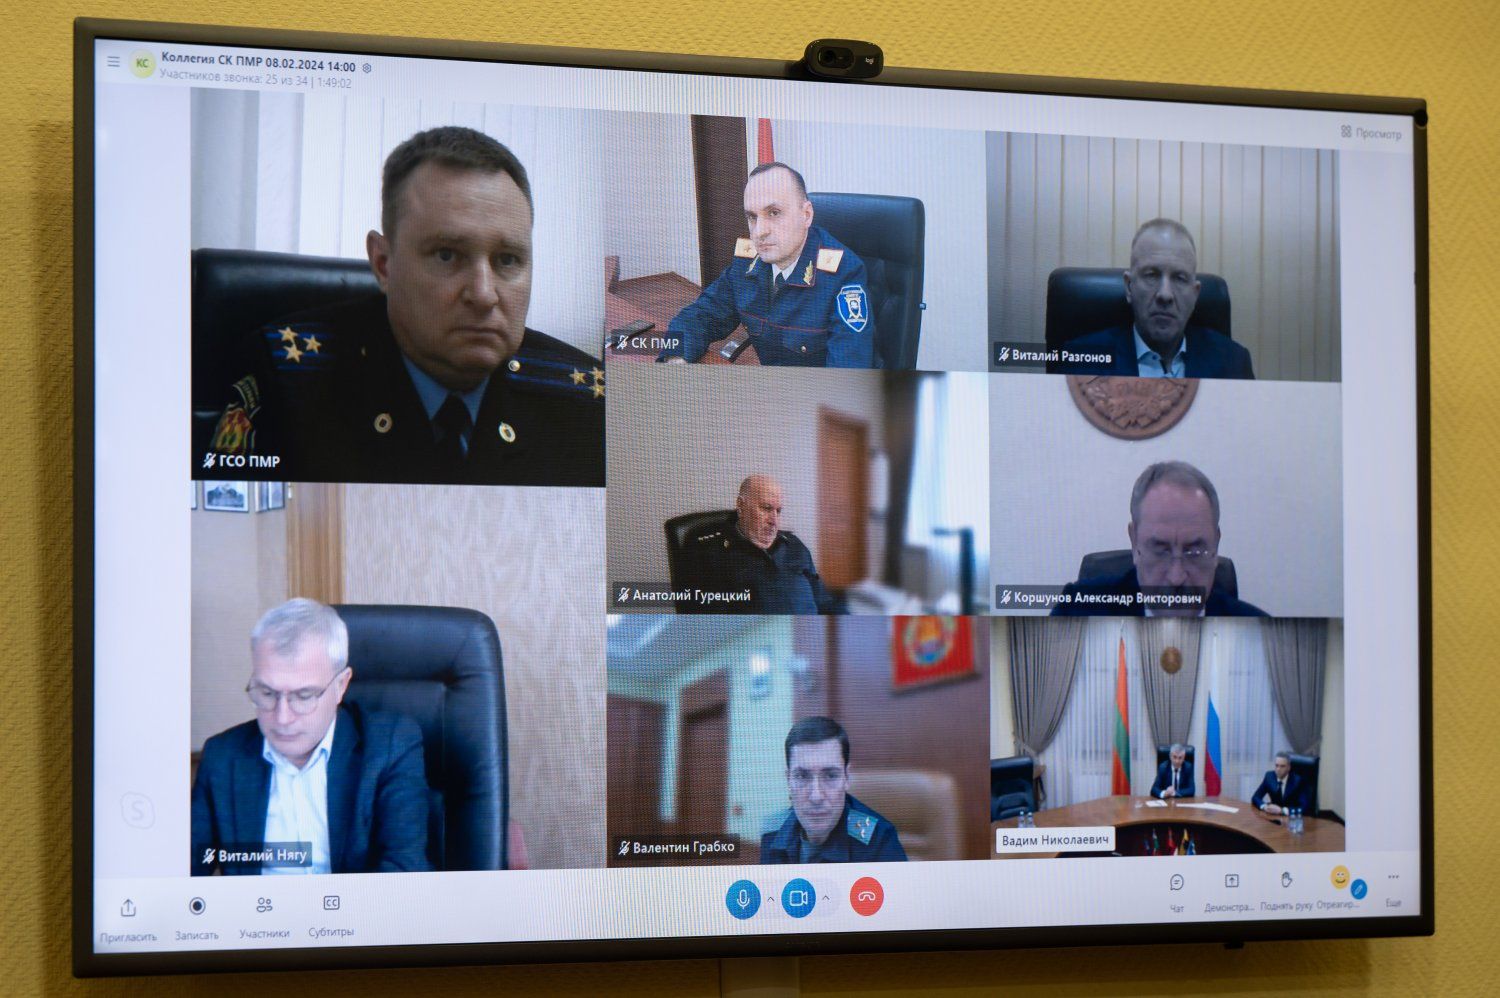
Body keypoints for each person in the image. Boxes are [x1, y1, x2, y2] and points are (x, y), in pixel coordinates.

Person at [201, 126, 604, 486]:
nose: (484, 294)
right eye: (447, 255)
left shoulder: (587, 402)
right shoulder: (286, 383)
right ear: (383, 263)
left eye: (508, 260)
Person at [192, 599, 430, 875]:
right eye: (267, 693)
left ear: (341, 685)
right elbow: (188, 871)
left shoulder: (389, 746)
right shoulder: (223, 757)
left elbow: (404, 871)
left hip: (354, 904)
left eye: (304, 696)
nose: (282, 718)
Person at [658, 162, 875, 367]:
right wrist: (676, 356)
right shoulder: (747, 265)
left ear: (806, 215)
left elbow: (848, 374)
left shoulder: (843, 275)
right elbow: (700, 316)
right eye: (752, 217)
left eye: (774, 213)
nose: (759, 232)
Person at [1051, 461, 1267, 617]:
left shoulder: (1259, 634)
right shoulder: (1075, 612)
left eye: (1194, 552)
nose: (1176, 577)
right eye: (1160, 551)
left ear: (1216, 546)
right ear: (1134, 543)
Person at [1049, 218, 1255, 380]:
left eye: (1179, 278)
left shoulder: (1234, 362)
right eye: (1151, 275)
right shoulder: (1080, 360)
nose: (1165, 294)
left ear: (1195, 294)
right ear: (1129, 287)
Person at [678, 475, 846, 614]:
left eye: (778, 511)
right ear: (741, 506)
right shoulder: (709, 553)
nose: (774, 521)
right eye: (766, 508)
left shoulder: (794, 545)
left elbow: (826, 601)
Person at [760, 717, 907, 864]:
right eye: (802, 776)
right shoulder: (771, 831)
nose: (816, 796)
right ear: (788, 780)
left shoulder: (879, 838)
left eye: (830, 776)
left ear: (847, 777)